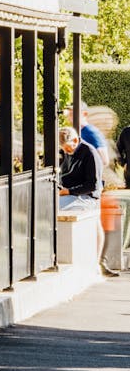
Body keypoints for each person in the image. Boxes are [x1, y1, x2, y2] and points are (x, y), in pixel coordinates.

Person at [58, 126, 118, 277]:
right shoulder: (65, 152)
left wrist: (68, 191)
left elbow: (92, 185)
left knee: (57, 208)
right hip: (71, 193)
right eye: (64, 149)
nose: (66, 152)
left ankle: (88, 262)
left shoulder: (89, 153)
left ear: (76, 140)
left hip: (87, 196)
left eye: (68, 148)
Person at [64, 102, 109, 166]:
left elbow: (104, 160)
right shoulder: (74, 132)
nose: (70, 117)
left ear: (84, 114)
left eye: (73, 113)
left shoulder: (91, 132)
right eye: (69, 113)